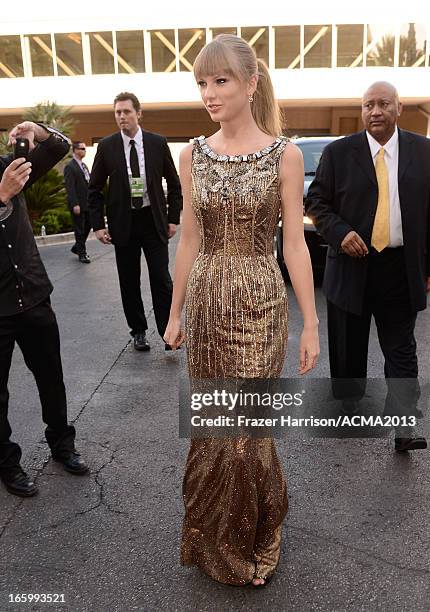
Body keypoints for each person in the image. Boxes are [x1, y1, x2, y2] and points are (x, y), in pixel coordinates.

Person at [164, 35, 319, 587]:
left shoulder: (287, 155)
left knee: (245, 434)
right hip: (206, 299)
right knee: (214, 429)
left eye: (220, 80)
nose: (209, 92)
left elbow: (295, 245)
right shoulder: (192, 155)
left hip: (259, 303)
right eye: (202, 82)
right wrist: (176, 310)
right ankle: (213, 541)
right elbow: (188, 239)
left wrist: (311, 324)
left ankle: (254, 532)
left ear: (251, 84)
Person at [306, 81, 430, 452]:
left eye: (383, 104)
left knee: (401, 349)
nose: (375, 111)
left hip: (399, 267)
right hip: (351, 266)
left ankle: (404, 424)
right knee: (348, 346)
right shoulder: (338, 153)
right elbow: (316, 202)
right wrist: (341, 233)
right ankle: (348, 396)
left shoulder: (423, 152)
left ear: (399, 109)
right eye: (368, 105)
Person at [0, 121, 89, 498]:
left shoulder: (9, 166)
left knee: (51, 378)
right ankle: (7, 463)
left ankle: (62, 444)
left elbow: (60, 146)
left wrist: (36, 128)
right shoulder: (6, 181)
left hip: (34, 295)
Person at [88, 92, 182, 351]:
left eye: (126, 112)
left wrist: (173, 219)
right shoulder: (107, 147)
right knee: (129, 281)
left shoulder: (156, 143)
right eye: (117, 112)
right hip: (123, 223)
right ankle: (138, 331)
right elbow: (94, 189)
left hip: (153, 221)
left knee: (161, 278)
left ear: (138, 114)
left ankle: (168, 332)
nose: (122, 117)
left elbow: (174, 185)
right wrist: (98, 225)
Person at [64, 141, 91, 263]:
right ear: (75, 150)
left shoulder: (84, 166)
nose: (84, 151)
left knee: (88, 225)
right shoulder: (70, 167)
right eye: (82, 149)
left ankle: (76, 247)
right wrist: (75, 203)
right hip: (78, 204)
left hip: (87, 202)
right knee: (79, 229)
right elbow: (70, 187)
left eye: (85, 149)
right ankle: (82, 254)